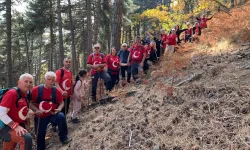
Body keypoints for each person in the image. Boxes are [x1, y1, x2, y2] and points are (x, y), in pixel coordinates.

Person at [30, 72, 72, 150]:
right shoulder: (36, 90)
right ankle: (41, 148)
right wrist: (36, 110)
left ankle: (64, 138)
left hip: (53, 114)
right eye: (49, 79)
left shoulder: (56, 91)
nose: (51, 81)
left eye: (53, 80)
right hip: (40, 116)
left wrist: (59, 109)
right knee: (40, 134)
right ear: (44, 80)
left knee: (61, 116)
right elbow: (30, 103)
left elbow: (61, 102)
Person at [0, 73, 33, 150]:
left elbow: (24, 109)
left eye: (30, 82)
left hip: (16, 126)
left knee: (8, 148)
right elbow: (1, 112)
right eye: (26, 81)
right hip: (5, 126)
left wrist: (26, 122)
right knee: (26, 139)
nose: (28, 84)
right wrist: (15, 126)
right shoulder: (12, 93)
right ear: (19, 82)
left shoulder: (26, 94)